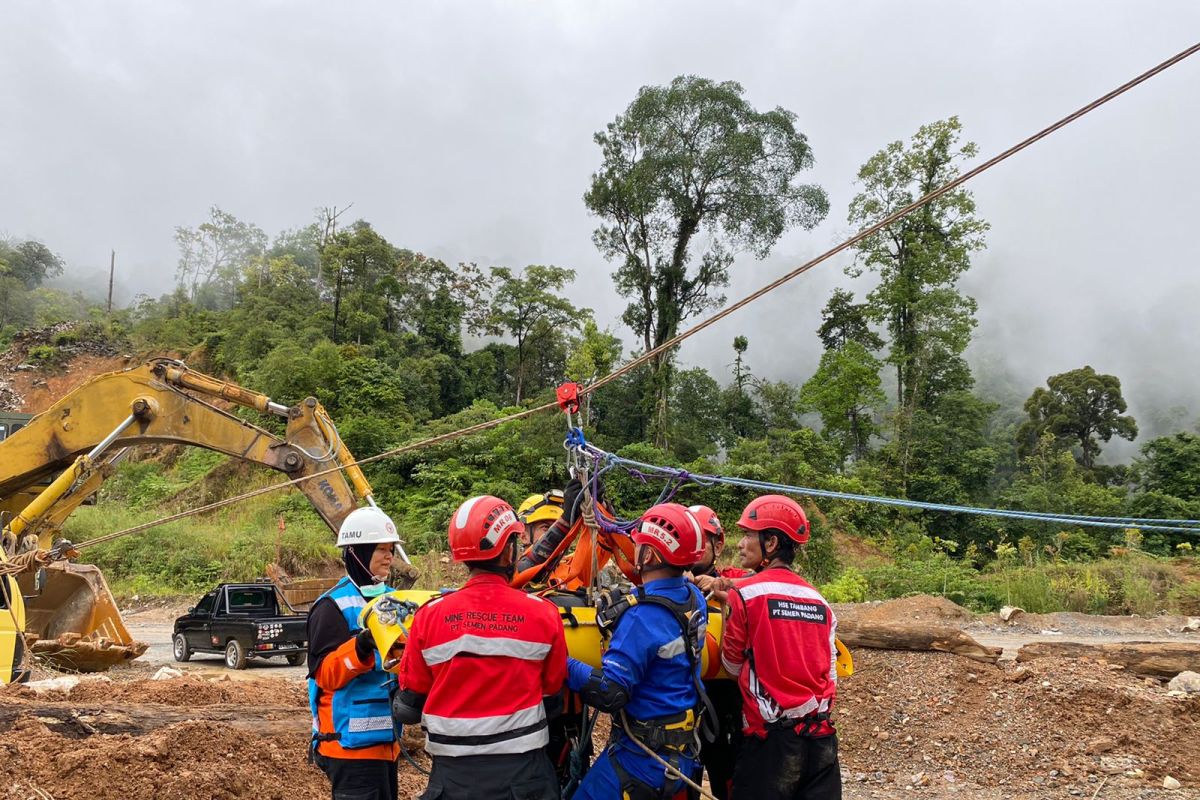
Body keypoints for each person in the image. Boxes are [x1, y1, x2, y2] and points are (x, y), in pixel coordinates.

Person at [394, 495, 568, 800]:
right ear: (508, 551)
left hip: (451, 781)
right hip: (524, 778)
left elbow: (408, 706)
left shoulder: (428, 617)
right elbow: (553, 692)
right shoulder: (543, 613)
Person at [566, 502, 710, 800]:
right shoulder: (694, 598)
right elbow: (660, 607)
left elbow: (610, 692)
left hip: (642, 758)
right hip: (682, 752)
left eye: (639, 545)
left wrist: (561, 662)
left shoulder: (640, 619)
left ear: (649, 554)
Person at [720, 495, 841, 800]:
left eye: (748, 534)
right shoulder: (820, 601)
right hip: (821, 740)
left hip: (770, 745)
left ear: (771, 543)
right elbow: (831, 674)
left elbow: (732, 665)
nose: (740, 544)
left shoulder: (744, 594)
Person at [306, 506, 403, 800]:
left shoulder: (391, 602)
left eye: (391, 550)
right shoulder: (332, 607)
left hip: (387, 745)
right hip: (349, 750)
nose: (389, 557)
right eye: (381, 550)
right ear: (359, 553)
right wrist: (361, 646)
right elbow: (325, 674)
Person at [685, 505, 747, 800]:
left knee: (730, 781)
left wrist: (722, 588)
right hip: (679, 705)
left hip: (725, 702)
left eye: (701, 541)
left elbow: (764, 587)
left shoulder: (734, 578)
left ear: (718, 544)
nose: (692, 547)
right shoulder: (663, 581)